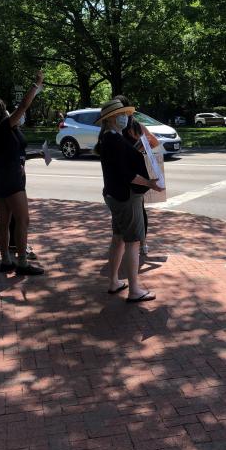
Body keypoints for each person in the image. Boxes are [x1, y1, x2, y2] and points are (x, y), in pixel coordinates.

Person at [0, 75, 46, 275]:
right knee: (23, 220)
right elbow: (24, 106)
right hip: (10, 179)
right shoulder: (4, 127)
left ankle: (6, 260)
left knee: (3, 220)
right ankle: (22, 263)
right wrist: (36, 86)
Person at [94, 100, 160, 302]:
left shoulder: (110, 137)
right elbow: (127, 174)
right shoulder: (113, 139)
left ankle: (114, 282)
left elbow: (121, 166)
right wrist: (150, 183)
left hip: (115, 195)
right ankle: (134, 290)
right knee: (133, 242)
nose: (126, 117)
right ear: (111, 118)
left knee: (119, 239)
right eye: (122, 114)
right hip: (126, 196)